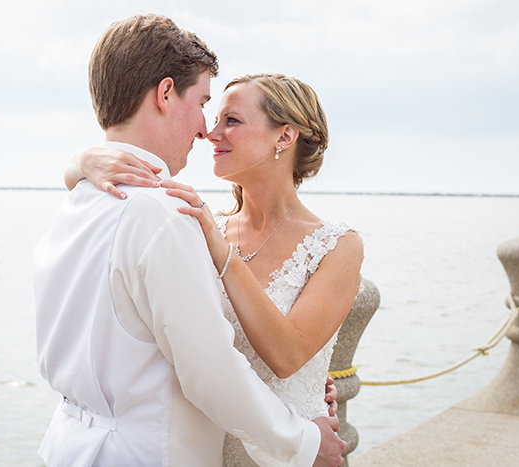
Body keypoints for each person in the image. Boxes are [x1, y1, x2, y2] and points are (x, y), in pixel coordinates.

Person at [34, 14, 347, 467]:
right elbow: (209, 372)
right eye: (203, 102)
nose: (206, 130)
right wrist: (304, 443)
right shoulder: (165, 217)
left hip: (69, 448)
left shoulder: (78, 203)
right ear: (165, 94)